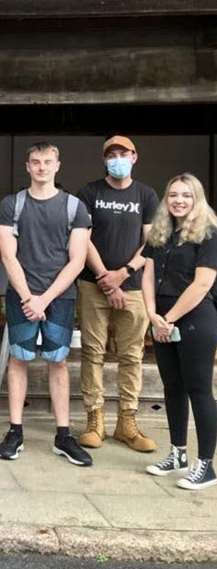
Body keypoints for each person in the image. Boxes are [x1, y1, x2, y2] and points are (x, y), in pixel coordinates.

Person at [0, 142, 93, 466]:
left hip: (59, 296)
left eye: (47, 162)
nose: (41, 167)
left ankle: (63, 434)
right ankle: (15, 430)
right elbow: (8, 255)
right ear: (27, 166)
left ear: (57, 165)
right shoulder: (12, 205)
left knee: (58, 360)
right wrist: (28, 297)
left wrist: (45, 299)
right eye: (35, 162)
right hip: (21, 293)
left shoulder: (74, 207)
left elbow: (78, 259)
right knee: (18, 358)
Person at [76, 136, 159, 452]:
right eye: (112, 154)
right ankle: (94, 420)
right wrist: (104, 279)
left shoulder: (146, 195)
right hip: (92, 283)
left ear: (135, 157)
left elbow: (150, 242)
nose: (118, 159)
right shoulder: (90, 192)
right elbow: (83, 239)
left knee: (132, 354)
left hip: (134, 286)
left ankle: (127, 421)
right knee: (92, 352)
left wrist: (123, 275)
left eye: (123, 154)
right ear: (104, 159)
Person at [142, 173, 217, 490]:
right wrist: (152, 315)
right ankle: (178, 454)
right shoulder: (161, 233)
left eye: (186, 195)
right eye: (173, 195)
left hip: (194, 318)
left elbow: (202, 284)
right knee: (173, 388)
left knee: (199, 390)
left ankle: (206, 465)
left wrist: (168, 318)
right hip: (162, 319)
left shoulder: (209, 234)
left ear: (196, 198)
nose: (179, 200)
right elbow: (146, 275)